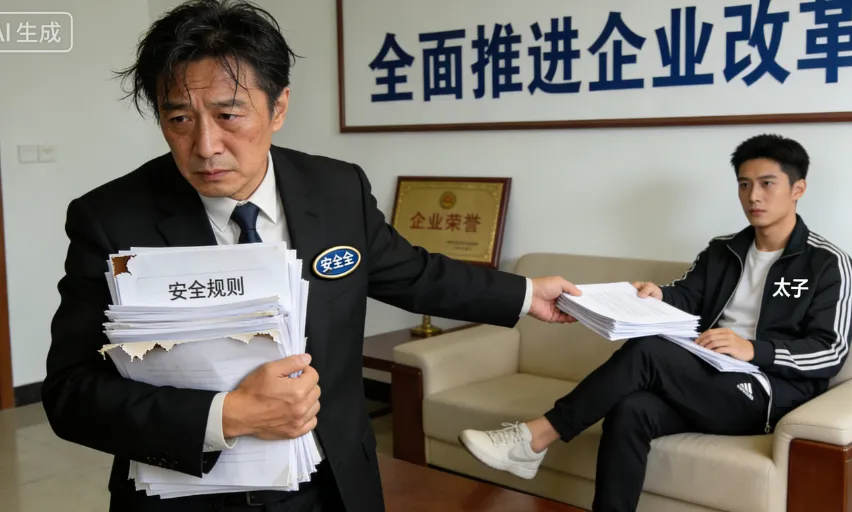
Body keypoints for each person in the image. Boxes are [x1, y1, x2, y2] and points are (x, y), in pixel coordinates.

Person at [40, 1, 581, 511]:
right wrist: (223, 416)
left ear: (278, 107)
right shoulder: (111, 220)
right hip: (188, 493)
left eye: (229, 115)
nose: (205, 146)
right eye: (179, 118)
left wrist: (527, 294)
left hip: (331, 485)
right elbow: (71, 393)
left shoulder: (336, 188)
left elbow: (413, 273)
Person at [459, 133, 852, 512]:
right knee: (630, 409)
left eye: (767, 183)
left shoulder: (828, 263)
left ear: (798, 188)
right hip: (710, 374)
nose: (753, 195)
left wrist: (753, 350)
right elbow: (688, 294)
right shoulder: (724, 250)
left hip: (767, 392)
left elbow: (831, 351)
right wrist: (660, 296)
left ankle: (535, 437)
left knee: (649, 350)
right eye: (744, 184)